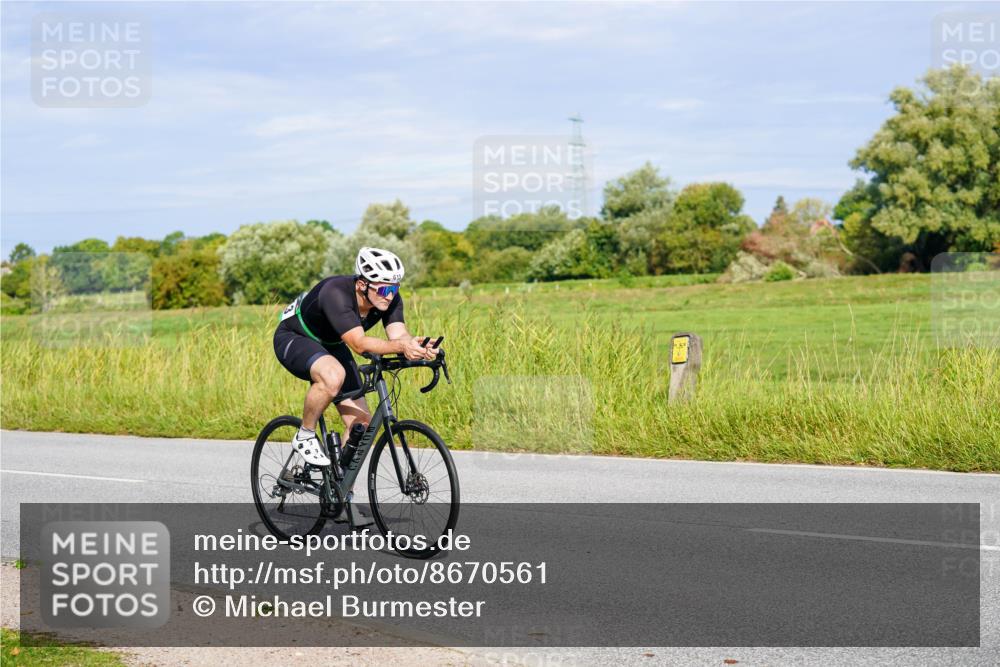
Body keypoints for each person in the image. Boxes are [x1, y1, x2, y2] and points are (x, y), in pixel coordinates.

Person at [272, 247, 436, 523]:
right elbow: (360, 345)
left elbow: (398, 334)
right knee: (332, 376)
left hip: (334, 344)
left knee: (360, 426)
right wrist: (400, 346)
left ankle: (339, 491)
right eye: (385, 290)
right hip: (296, 336)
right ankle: (305, 434)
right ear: (362, 285)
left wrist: (417, 346)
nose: (391, 295)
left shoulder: (389, 299)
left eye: (395, 288)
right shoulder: (336, 293)